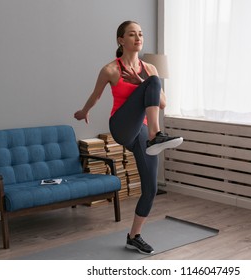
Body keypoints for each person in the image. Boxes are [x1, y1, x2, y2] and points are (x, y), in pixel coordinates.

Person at [74, 20, 183, 254]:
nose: (138, 38)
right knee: (152, 84)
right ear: (121, 40)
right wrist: (84, 112)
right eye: (132, 34)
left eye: (141, 34)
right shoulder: (111, 70)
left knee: (151, 188)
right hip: (122, 126)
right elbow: (95, 96)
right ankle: (156, 135)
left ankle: (134, 236)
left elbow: (163, 103)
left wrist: (141, 82)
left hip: (141, 131)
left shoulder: (150, 70)